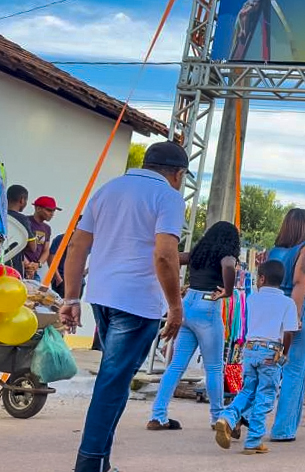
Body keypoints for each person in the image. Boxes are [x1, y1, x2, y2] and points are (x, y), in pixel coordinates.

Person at [60, 141, 188, 472]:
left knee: (116, 382)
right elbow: (164, 255)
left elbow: (77, 245)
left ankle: (100, 462)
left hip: (101, 296)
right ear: (178, 174)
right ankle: (89, 465)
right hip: (137, 302)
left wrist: (71, 297)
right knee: (112, 384)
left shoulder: (108, 189)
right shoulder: (169, 197)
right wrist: (175, 307)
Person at [148, 221, 239, 430]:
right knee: (214, 367)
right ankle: (217, 417)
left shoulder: (198, 254)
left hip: (187, 304)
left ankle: (158, 415)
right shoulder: (226, 255)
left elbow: (173, 257)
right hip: (208, 306)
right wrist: (228, 290)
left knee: (176, 365)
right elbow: (228, 265)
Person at [214, 259, 299, 455]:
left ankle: (227, 417)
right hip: (271, 352)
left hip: (250, 349)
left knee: (247, 391)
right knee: (265, 396)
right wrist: (284, 354)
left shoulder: (251, 299)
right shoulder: (288, 303)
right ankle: (253, 441)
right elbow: (289, 332)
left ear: (262, 278)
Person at [266, 208, 305, 442]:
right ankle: (283, 429)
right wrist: (294, 317)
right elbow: (300, 283)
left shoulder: (273, 252)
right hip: (298, 307)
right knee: (295, 370)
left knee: (266, 367)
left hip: (272, 307)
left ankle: (241, 415)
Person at [24, 195, 59, 281]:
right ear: (38, 208)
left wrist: (38, 264)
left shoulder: (47, 228)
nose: (52, 214)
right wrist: (27, 264)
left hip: (34, 272)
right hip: (19, 267)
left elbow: (46, 250)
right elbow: (16, 246)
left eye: (54, 211)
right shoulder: (24, 221)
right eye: (49, 210)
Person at [4, 184, 35, 278]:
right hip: (12, 269)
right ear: (22, 200)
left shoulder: (2, 217)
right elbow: (33, 247)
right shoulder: (22, 220)